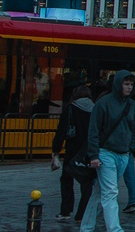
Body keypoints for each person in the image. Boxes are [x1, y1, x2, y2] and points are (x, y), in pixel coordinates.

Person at [80, 70, 135, 232]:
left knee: (100, 192)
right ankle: (114, 229)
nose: (129, 87)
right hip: (106, 153)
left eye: (131, 84)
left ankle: (86, 227)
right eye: (126, 84)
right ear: (118, 84)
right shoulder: (104, 103)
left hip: (122, 154)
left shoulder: (132, 105)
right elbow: (94, 130)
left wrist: (129, 148)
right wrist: (94, 154)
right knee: (110, 192)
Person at [51, 85, 95, 221]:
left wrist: (55, 150)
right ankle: (82, 214)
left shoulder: (70, 108)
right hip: (89, 150)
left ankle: (65, 210)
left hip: (72, 149)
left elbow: (61, 131)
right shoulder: (96, 109)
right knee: (87, 182)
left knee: (66, 179)